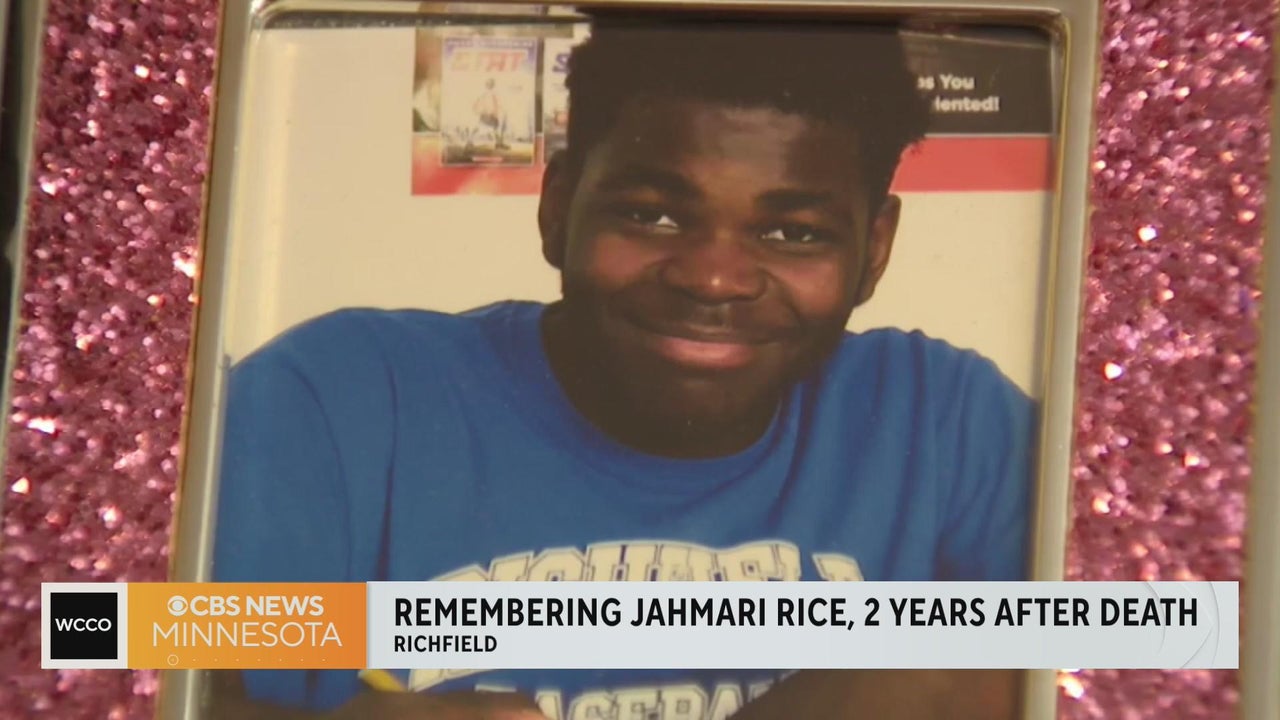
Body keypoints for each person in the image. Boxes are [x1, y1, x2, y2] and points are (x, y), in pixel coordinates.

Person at [211, 11, 1036, 720]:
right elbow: (144, 655)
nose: (714, 278)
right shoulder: (343, 401)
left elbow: (1104, 650)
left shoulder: (941, 420)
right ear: (558, 205)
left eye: (794, 233)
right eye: (652, 215)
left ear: (875, 249)